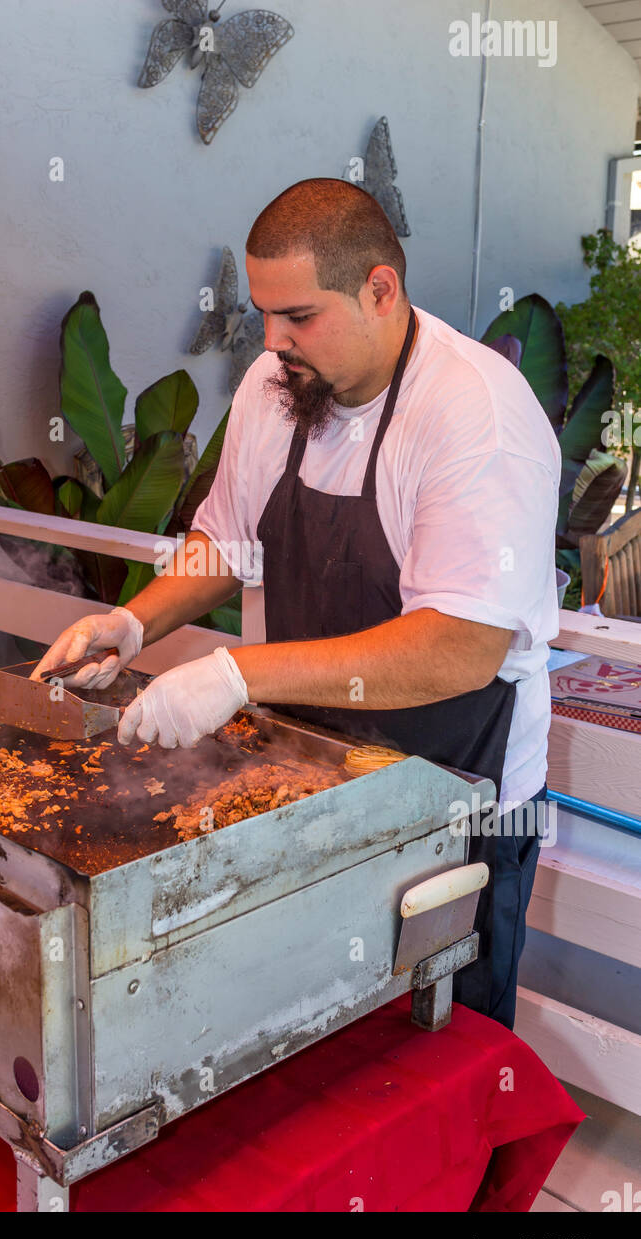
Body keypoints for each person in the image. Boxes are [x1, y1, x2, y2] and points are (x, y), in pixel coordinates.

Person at [33, 178, 560, 1029]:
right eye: (264, 313)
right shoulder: (272, 388)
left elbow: (458, 648)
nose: (272, 340)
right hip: (307, 778)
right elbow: (227, 539)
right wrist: (134, 622)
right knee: (307, 1041)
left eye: (299, 317)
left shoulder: (474, 416)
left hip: (455, 803)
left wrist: (237, 674)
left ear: (380, 290)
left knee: (433, 1051)